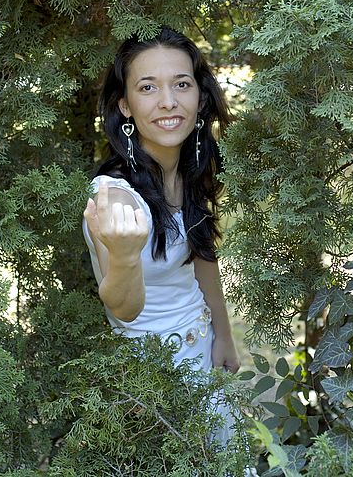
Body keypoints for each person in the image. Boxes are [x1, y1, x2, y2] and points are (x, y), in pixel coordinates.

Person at [82, 26, 253, 456]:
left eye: (181, 83)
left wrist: (224, 334)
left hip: (203, 354)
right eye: (147, 87)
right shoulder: (116, 198)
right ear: (124, 105)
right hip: (156, 379)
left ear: (200, 93)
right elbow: (124, 308)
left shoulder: (190, 164)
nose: (168, 102)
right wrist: (122, 257)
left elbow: (201, 254)